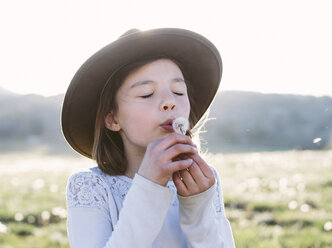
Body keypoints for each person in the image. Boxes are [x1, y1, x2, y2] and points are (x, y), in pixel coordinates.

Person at [62, 28, 235, 247]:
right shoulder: (90, 187)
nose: (169, 102)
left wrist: (198, 209)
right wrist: (150, 187)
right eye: (146, 94)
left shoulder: (205, 180)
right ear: (112, 119)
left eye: (179, 92)